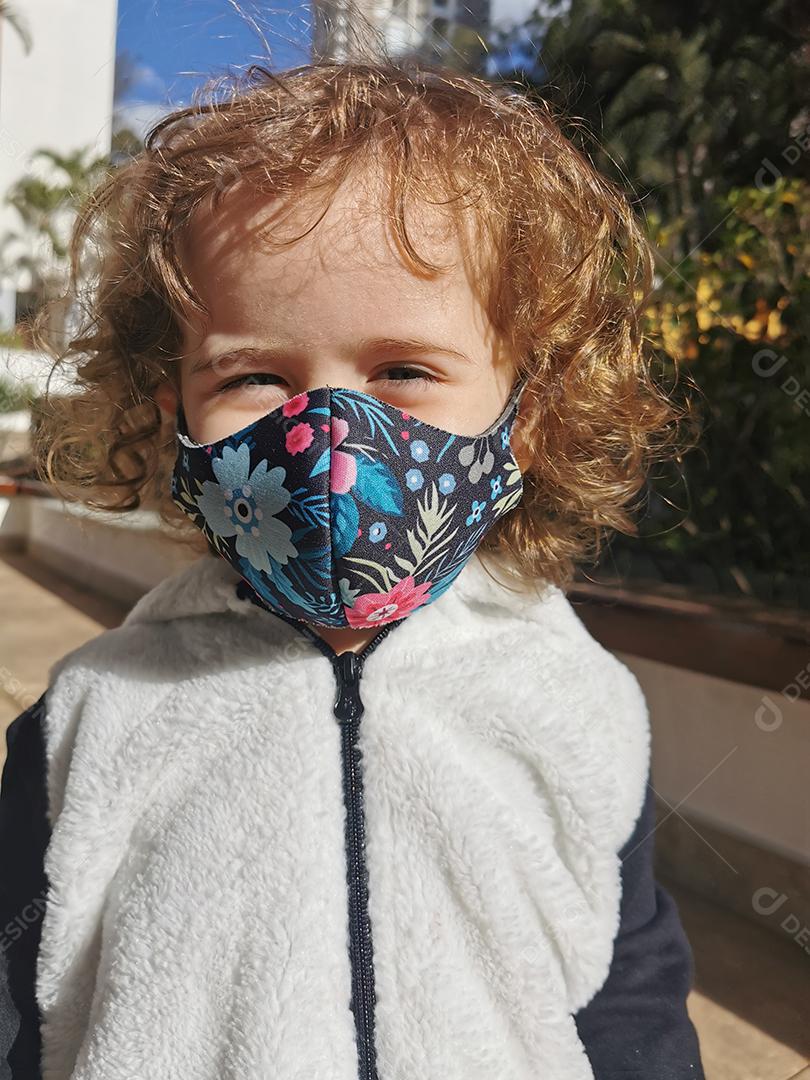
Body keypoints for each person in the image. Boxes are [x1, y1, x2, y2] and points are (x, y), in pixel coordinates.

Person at [0, 59, 705, 1079]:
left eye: (404, 371)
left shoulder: (579, 705)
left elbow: (630, 1002)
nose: (328, 440)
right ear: (179, 417)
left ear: (526, 417)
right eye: (255, 377)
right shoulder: (88, 720)